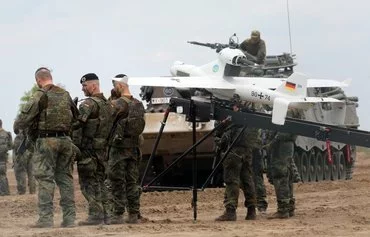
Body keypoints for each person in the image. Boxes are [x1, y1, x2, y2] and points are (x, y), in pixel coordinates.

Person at [13, 67, 79, 228]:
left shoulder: (40, 95)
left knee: (45, 179)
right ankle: (70, 219)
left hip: (46, 141)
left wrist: (18, 128)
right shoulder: (65, 94)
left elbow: (23, 120)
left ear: (38, 80)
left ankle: (45, 219)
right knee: (65, 179)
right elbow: (76, 118)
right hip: (65, 141)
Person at [74, 73, 114, 225]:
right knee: (101, 182)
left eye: (84, 86)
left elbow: (77, 125)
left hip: (88, 150)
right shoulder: (108, 104)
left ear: (94, 85)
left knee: (88, 183)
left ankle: (95, 216)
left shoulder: (88, 104)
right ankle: (107, 215)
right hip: (103, 150)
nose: (83, 89)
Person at [108, 74, 145, 224]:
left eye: (114, 84)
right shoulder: (139, 104)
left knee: (116, 181)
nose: (113, 87)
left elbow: (107, 122)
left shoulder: (118, 104)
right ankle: (134, 214)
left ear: (120, 85)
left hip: (119, 148)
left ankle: (117, 214)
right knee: (132, 181)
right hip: (134, 148)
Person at [215, 104, 257, 221]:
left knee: (231, 181)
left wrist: (218, 134)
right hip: (246, 153)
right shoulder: (249, 121)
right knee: (247, 180)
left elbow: (223, 141)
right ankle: (251, 211)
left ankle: (230, 211)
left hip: (233, 154)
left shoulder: (233, 123)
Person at [266, 110, 300, 219]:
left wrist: (272, 143)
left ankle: (283, 209)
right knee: (287, 175)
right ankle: (289, 207)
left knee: (281, 176)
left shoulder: (287, 110)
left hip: (281, 146)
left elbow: (284, 130)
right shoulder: (294, 109)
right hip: (286, 145)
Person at [0, 119, 13, 196]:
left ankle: (3, 192)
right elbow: (11, 146)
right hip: (3, 158)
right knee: (3, 175)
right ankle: (5, 192)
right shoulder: (7, 134)